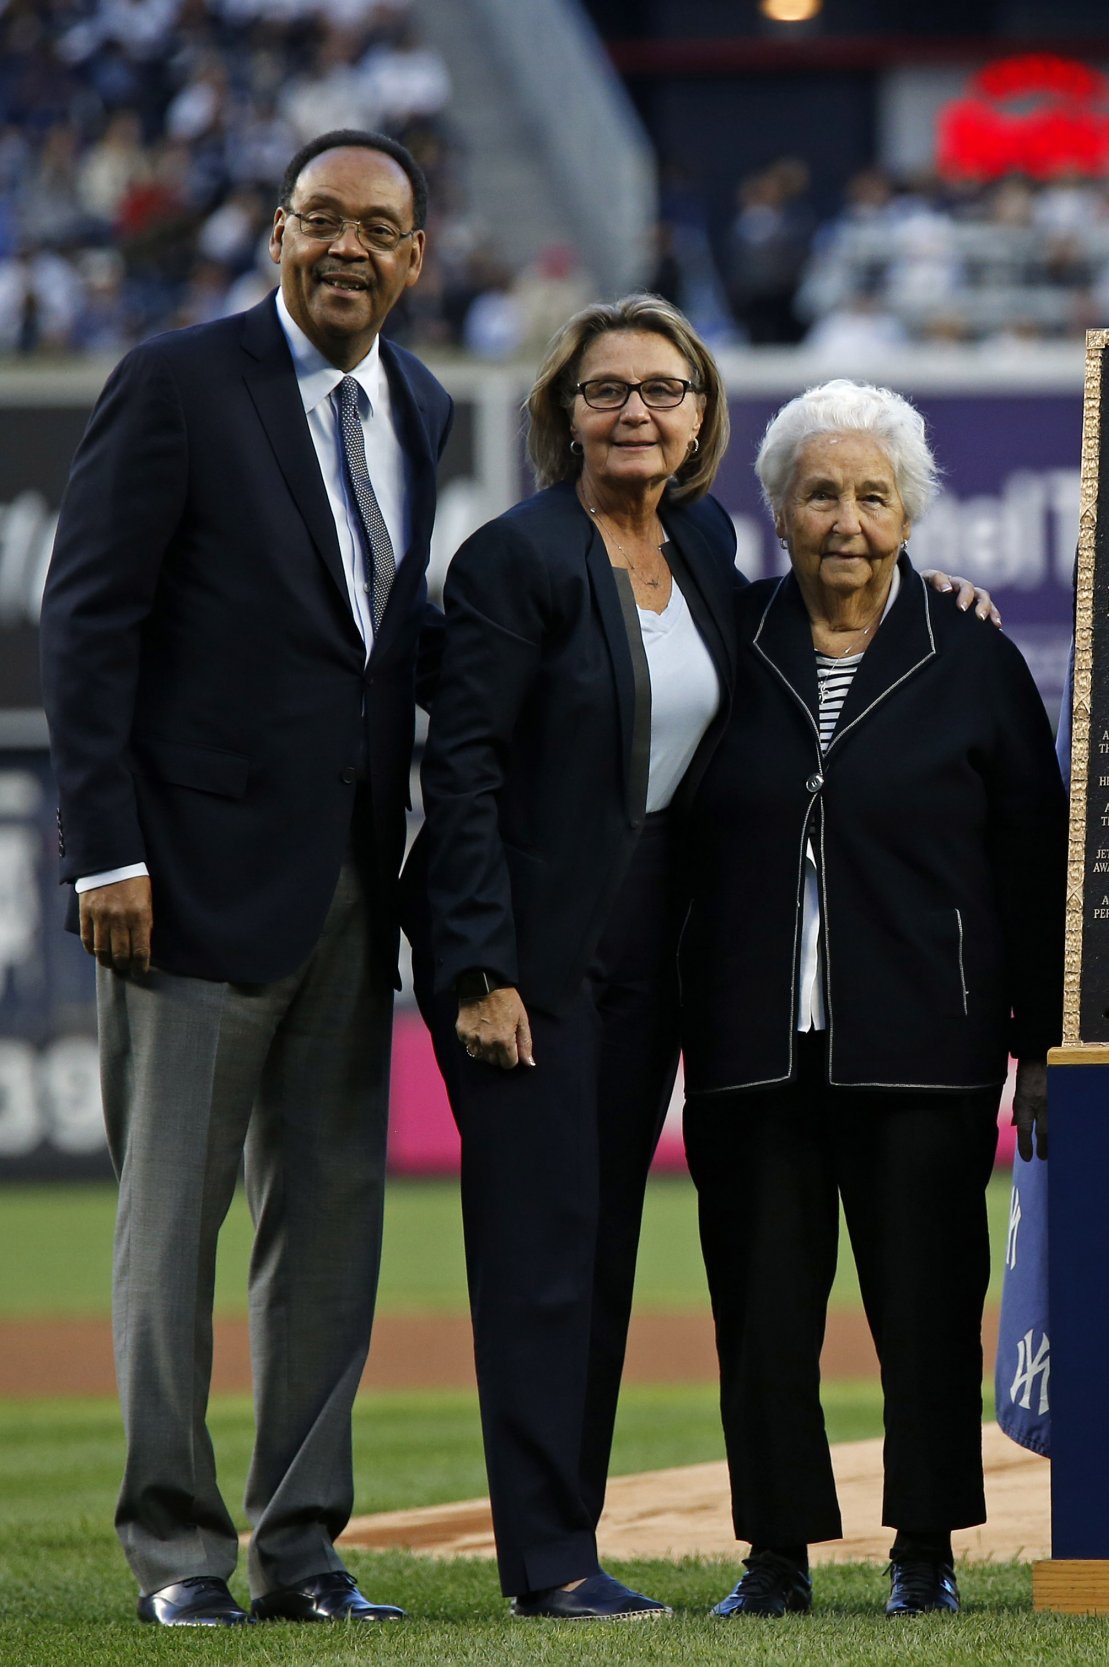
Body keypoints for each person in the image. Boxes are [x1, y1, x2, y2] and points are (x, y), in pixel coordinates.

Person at [40, 130, 447, 1629]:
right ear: (275, 235)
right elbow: (86, 622)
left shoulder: (423, 401)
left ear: (416, 258)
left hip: (354, 877)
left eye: (378, 229)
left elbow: (373, 651)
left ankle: (304, 1549)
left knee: (332, 1223)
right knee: (170, 1228)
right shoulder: (177, 381)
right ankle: (177, 1551)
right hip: (187, 879)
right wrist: (108, 847)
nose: (348, 247)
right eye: (321, 219)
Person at [675, 379, 1064, 1620]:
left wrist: (1040, 1046)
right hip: (750, 1047)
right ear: (778, 511)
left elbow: (1033, 863)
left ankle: (924, 1551)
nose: (847, 517)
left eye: (873, 494)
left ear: (911, 515)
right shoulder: (721, 641)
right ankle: (774, 1557)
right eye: (821, 493)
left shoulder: (974, 655)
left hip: (928, 1045)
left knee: (927, 1308)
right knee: (764, 1312)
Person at [406, 294, 742, 1621]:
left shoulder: (702, 538)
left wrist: (912, 594)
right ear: (564, 413)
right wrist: (480, 966)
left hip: (653, 939)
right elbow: (465, 767)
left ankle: (572, 1539)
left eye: (664, 390)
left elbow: (762, 657)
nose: (637, 412)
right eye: (608, 391)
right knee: (543, 1250)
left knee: (602, 1248)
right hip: (528, 949)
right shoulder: (516, 556)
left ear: (701, 415)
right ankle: (546, 1561)